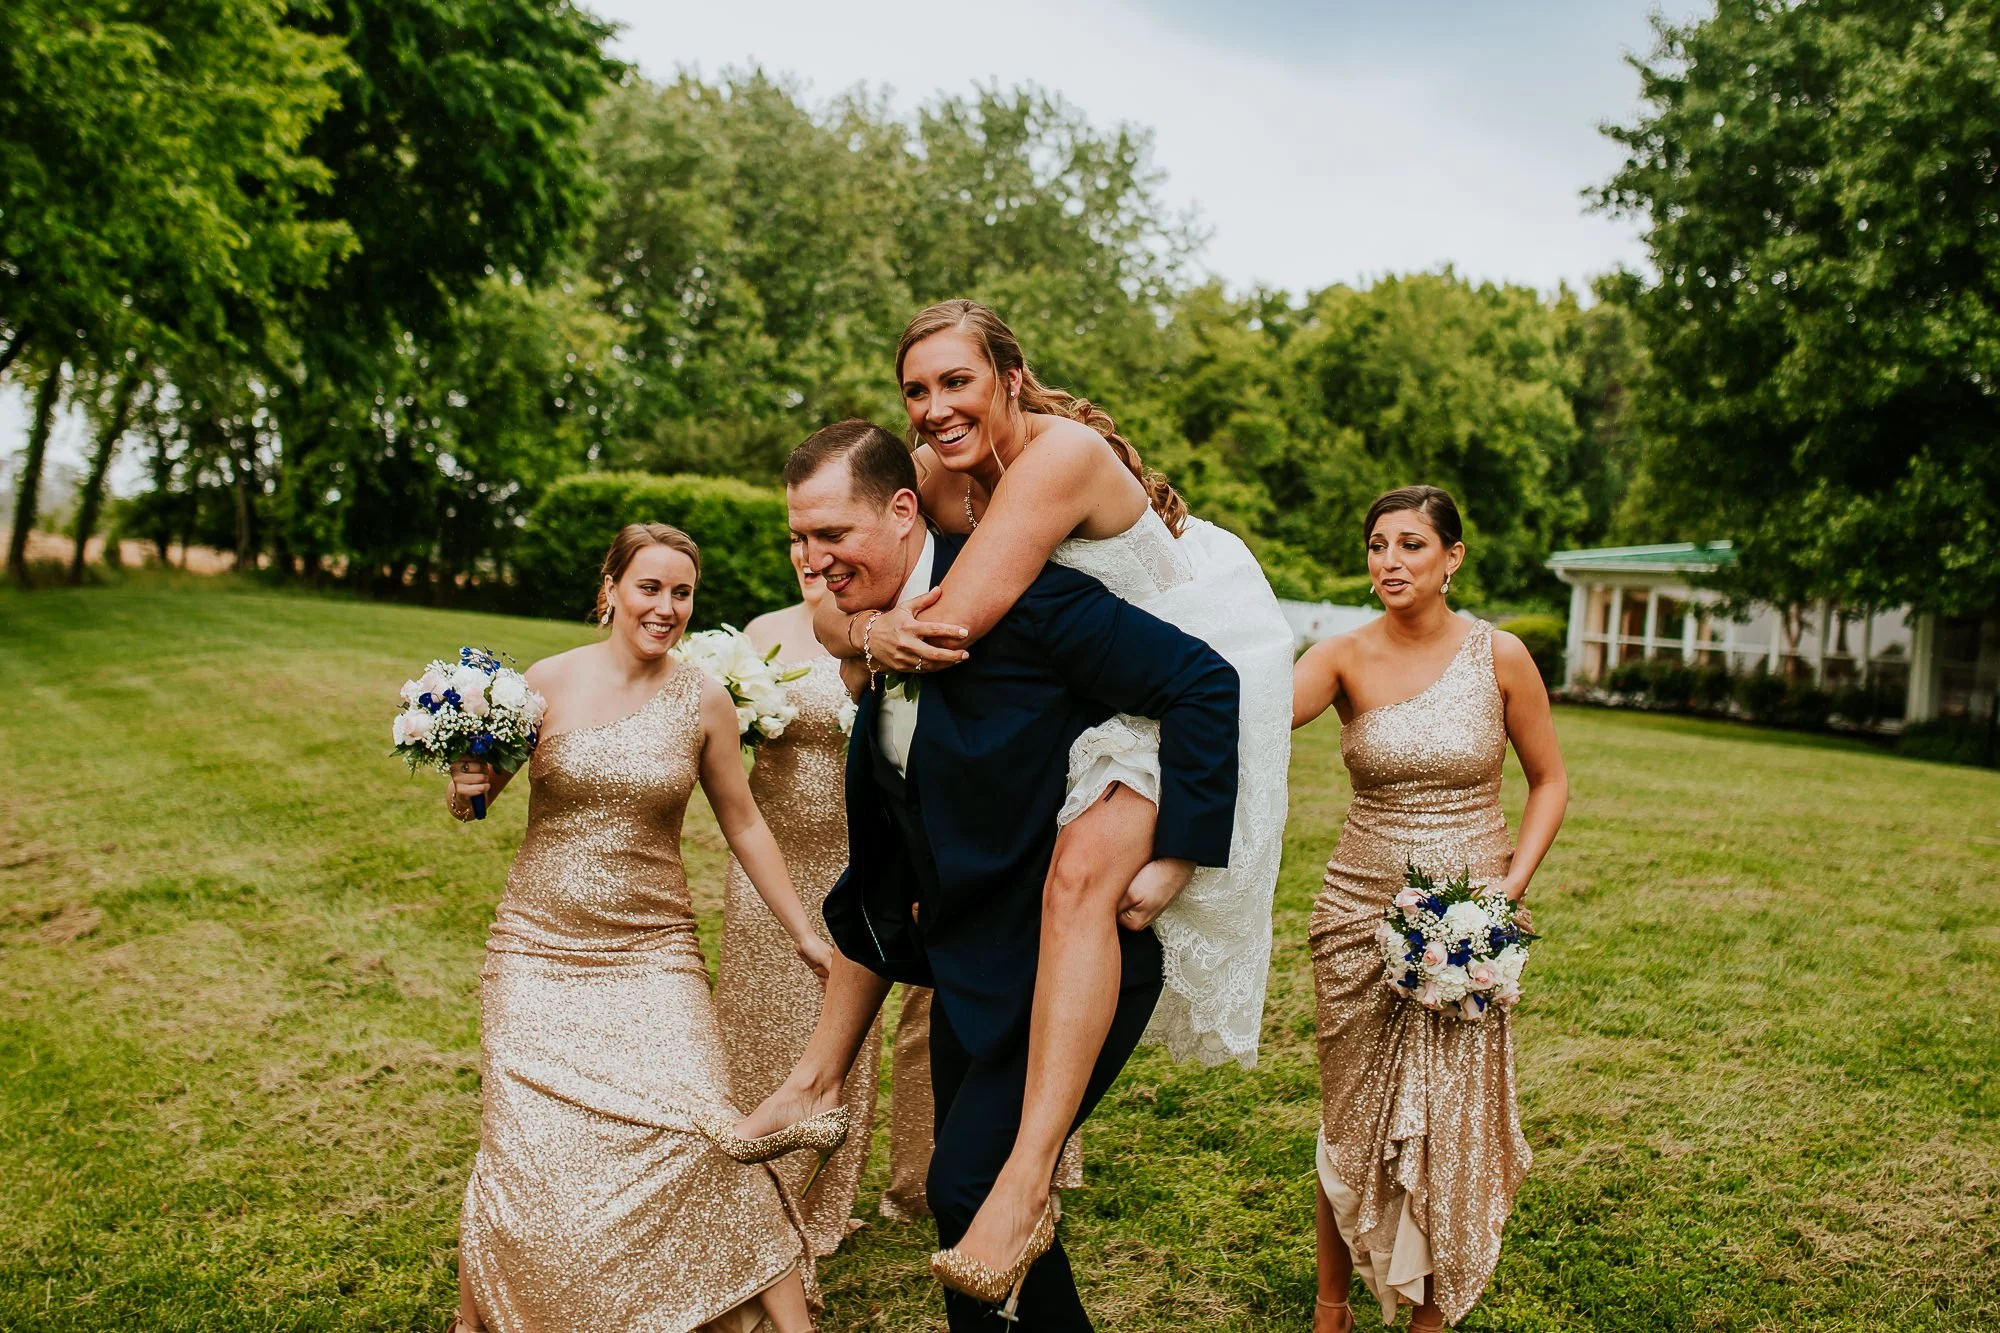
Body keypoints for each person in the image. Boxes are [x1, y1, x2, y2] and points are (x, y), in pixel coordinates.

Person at [811, 299, 1294, 1279]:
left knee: (1083, 876)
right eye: (915, 388)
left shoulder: (1060, 456)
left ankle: (1028, 1175)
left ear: (1009, 378)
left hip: (1182, 683)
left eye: (956, 381)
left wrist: (880, 633)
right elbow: (838, 582)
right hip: (1092, 688)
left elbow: (957, 617)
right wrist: (863, 631)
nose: (935, 407)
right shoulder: (941, 477)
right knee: (1047, 881)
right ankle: (978, 1175)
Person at [742, 420, 1241, 1330]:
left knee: (967, 1179)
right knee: (964, 1206)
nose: (813, 559)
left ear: (902, 512)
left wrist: (1178, 848)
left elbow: (1205, 683)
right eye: (800, 537)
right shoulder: (879, 632)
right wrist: (858, 628)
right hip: (973, 966)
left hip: (1072, 967)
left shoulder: (1031, 604)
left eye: (832, 535)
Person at [442, 523, 831, 1333]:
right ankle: (480, 1319)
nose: (666, 607)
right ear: (611, 587)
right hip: (537, 950)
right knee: (523, 1143)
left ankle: (790, 1324)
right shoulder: (542, 683)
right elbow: (477, 798)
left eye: (681, 592)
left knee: (709, 1126)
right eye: (649, 587)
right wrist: (466, 775)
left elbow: (745, 823)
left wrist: (802, 930)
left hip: (653, 952)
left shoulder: (704, 698)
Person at [1290, 486, 1568, 1332]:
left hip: (1466, 928)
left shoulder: (1502, 656)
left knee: (1449, 1119)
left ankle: (1431, 1316)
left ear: (1452, 557)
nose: (1389, 562)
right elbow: (1247, 718)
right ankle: (1330, 1307)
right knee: (1351, 1120)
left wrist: (1505, 891)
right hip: (1355, 917)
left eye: (1411, 544)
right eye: (1377, 545)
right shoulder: (1340, 656)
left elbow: (1549, 779)